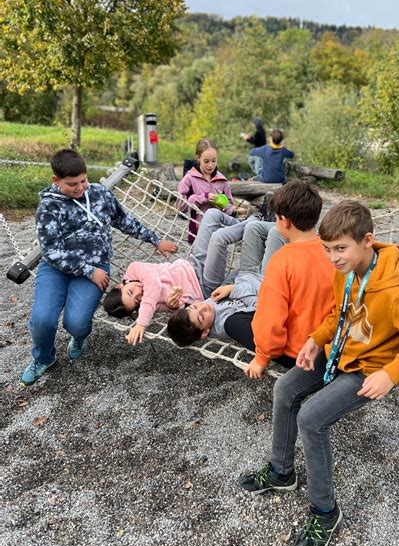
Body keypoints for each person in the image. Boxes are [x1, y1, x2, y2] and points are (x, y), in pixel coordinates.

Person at [238, 199, 399, 546]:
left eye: (340, 248)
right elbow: (339, 312)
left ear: (367, 240)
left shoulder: (395, 292)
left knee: (312, 418)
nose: (333, 257)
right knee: (285, 388)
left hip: (370, 369)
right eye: (328, 249)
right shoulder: (345, 271)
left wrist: (391, 374)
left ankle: (325, 510)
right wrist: (315, 340)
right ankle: (281, 471)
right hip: (339, 354)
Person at [20, 149, 177, 386]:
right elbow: (51, 252)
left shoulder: (100, 194)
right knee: (42, 320)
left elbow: (125, 221)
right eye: (72, 184)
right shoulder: (48, 207)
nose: (80, 187)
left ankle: (79, 337)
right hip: (59, 269)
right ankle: (44, 358)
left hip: (96, 266)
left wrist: (154, 239)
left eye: (83, 180)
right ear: (56, 181)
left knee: (77, 322)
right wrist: (89, 271)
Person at [103, 208, 278, 344]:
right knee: (218, 238)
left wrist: (141, 322)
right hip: (204, 285)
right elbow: (181, 307)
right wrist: (173, 304)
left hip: (192, 263)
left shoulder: (135, 269)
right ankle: (254, 221)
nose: (138, 294)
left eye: (130, 292)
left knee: (212, 214)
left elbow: (153, 285)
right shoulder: (151, 304)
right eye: (137, 301)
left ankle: (247, 225)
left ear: (120, 285)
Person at [226, 180, 335, 380]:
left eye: (275, 219)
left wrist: (261, 358)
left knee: (233, 321)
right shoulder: (333, 252)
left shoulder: (282, 261)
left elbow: (271, 320)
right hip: (327, 345)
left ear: (284, 221)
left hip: (298, 354)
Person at [166, 219, 286, 350]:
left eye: (194, 307)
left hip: (245, 274)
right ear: (205, 332)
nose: (203, 307)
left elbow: (223, 289)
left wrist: (232, 277)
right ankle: (304, 235)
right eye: (201, 317)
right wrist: (234, 290)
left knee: (253, 228)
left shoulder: (205, 309)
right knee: (276, 233)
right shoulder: (228, 324)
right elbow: (262, 305)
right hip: (267, 281)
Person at [178, 138, 233, 243]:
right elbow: (180, 206)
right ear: (198, 158)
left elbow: (230, 208)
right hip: (197, 234)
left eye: (214, 161)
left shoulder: (222, 180)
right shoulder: (189, 178)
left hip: (218, 235)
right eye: (206, 161)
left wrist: (223, 206)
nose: (210, 165)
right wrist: (204, 197)